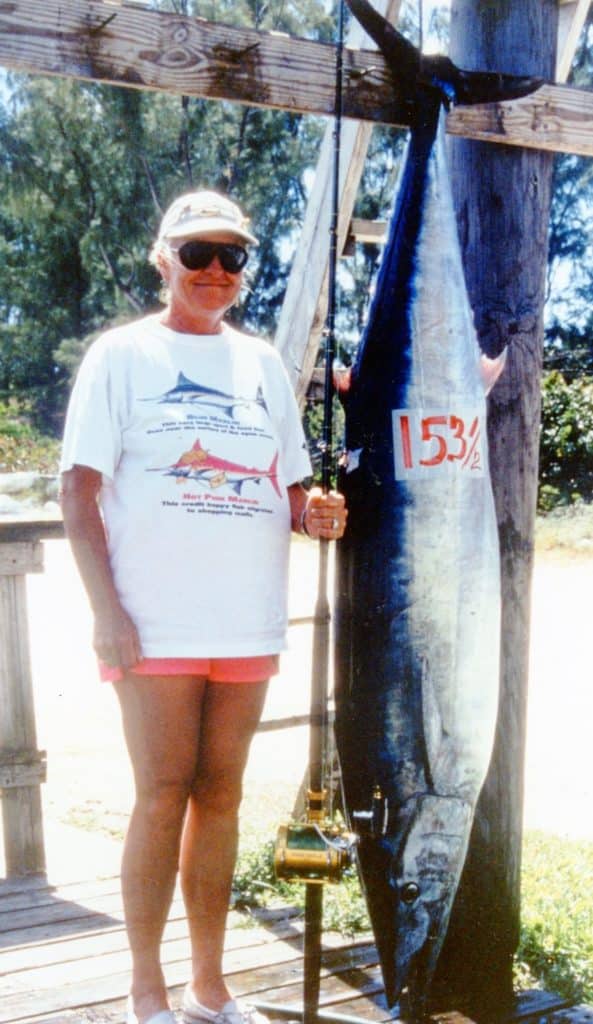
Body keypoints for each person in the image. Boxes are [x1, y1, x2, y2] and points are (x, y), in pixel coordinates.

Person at [59, 190, 347, 1024]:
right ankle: (145, 984)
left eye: (232, 256)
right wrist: (105, 612)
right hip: (153, 622)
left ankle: (209, 984)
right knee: (161, 790)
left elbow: (291, 491)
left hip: (246, 619)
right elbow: (79, 498)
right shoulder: (118, 356)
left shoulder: (261, 366)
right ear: (164, 260)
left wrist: (319, 511)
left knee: (222, 793)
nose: (216, 270)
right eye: (197, 255)